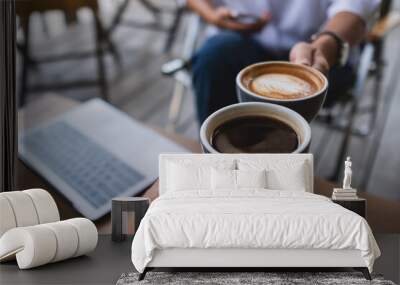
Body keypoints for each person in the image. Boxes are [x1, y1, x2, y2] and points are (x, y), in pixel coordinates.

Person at [187, 0, 380, 122]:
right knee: (212, 60)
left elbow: (354, 9)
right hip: (240, 41)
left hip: (320, 50)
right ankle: (219, 164)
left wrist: (324, 45)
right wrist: (211, 13)